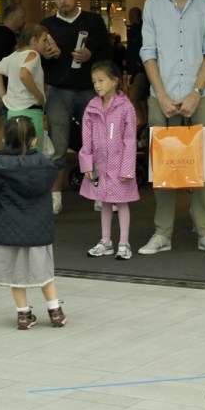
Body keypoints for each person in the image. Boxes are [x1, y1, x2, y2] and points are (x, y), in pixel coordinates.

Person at [138, 0, 205, 255]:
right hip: (161, 95)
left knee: (200, 163)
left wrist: (196, 92)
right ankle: (162, 233)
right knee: (164, 166)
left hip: (199, 95)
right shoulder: (153, 6)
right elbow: (148, 52)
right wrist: (160, 94)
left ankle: (204, 231)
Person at [0, 115, 66, 329]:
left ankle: (23, 315)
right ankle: (55, 311)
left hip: (8, 231)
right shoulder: (45, 166)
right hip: (39, 231)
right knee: (44, 271)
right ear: (34, 140)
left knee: (15, 274)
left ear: (5, 140)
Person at [39, 0, 112, 215]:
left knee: (97, 141)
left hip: (90, 89)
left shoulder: (93, 21)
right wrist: (46, 55)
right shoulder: (46, 26)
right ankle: (54, 197)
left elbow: (108, 54)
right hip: (58, 91)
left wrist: (90, 55)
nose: (63, 1)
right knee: (57, 145)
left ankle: (100, 193)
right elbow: (35, 60)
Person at [78, 60, 140, 260]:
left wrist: (127, 169)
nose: (97, 85)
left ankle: (124, 242)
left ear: (114, 81)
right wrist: (86, 162)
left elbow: (130, 139)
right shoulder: (92, 106)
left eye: (101, 80)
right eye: (94, 81)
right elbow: (85, 136)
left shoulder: (125, 107)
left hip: (119, 164)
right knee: (103, 201)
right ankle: (106, 241)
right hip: (99, 165)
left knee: (121, 202)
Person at [0, 24, 49, 147]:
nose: (46, 44)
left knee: (16, 148)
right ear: (34, 40)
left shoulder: (13, 56)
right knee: (33, 149)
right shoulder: (33, 54)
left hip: (12, 111)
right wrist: (39, 96)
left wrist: (3, 96)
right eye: (44, 40)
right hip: (31, 111)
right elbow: (24, 74)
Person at [0, 3, 27, 119]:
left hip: (9, 91)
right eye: (21, 17)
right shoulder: (3, 37)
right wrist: (1, 94)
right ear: (12, 17)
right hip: (7, 92)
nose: (24, 21)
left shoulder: (7, 35)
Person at [125, 6, 149, 128]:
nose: (129, 18)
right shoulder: (135, 30)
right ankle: (145, 122)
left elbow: (136, 50)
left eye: (131, 15)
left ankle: (143, 122)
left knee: (134, 97)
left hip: (141, 70)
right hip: (138, 69)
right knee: (141, 98)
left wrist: (138, 63)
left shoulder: (140, 30)